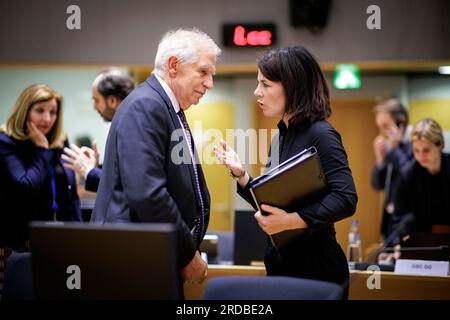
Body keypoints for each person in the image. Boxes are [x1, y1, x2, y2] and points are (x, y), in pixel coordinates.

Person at [214, 46, 357, 297]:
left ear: (292, 87)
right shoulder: (282, 137)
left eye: (265, 84)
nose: (257, 92)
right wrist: (242, 176)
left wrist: (290, 221)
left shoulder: (322, 134)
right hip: (284, 265)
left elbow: (346, 198)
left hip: (317, 270)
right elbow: (273, 202)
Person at [90, 28, 221, 286]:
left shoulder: (163, 105)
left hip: (148, 254)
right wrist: (187, 255)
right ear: (173, 65)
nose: (209, 83)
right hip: (132, 261)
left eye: (212, 75)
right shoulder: (146, 105)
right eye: (203, 72)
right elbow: (147, 193)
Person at [0, 84, 82, 288]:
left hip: (57, 240)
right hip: (17, 241)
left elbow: (70, 194)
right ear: (24, 110)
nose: (47, 119)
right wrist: (42, 150)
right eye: (40, 110)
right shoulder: (5, 142)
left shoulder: (59, 141)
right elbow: (25, 187)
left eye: (53, 112)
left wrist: (80, 234)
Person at [62, 67, 136, 192]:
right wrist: (95, 167)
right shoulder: (126, 124)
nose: (94, 107)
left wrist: (89, 171)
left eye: (96, 100)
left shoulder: (132, 128)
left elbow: (129, 184)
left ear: (112, 101)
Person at [392, 118, 450, 241]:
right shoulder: (407, 174)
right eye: (416, 151)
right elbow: (399, 217)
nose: (421, 156)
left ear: (440, 144)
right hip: (421, 239)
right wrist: (398, 242)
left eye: (426, 150)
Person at [371, 99, 414, 238]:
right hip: (390, 221)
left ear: (401, 122)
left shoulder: (416, 143)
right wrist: (380, 161)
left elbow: (410, 177)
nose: (382, 132)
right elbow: (377, 185)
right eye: (379, 127)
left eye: (385, 126)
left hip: (409, 220)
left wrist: (395, 151)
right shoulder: (389, 148)